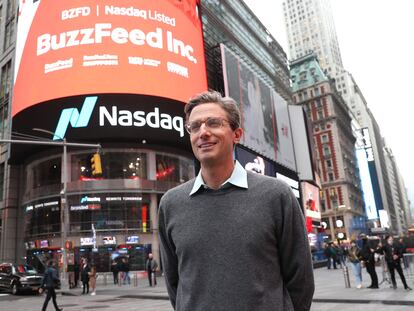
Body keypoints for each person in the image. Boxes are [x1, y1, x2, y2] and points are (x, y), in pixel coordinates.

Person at [158, 91, 315, 311]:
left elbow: (301, 280)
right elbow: (175, 284)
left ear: (237, 134)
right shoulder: (170, 204)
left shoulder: (277, 195)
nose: (203, 132)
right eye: (194, 127)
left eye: (213, 123)